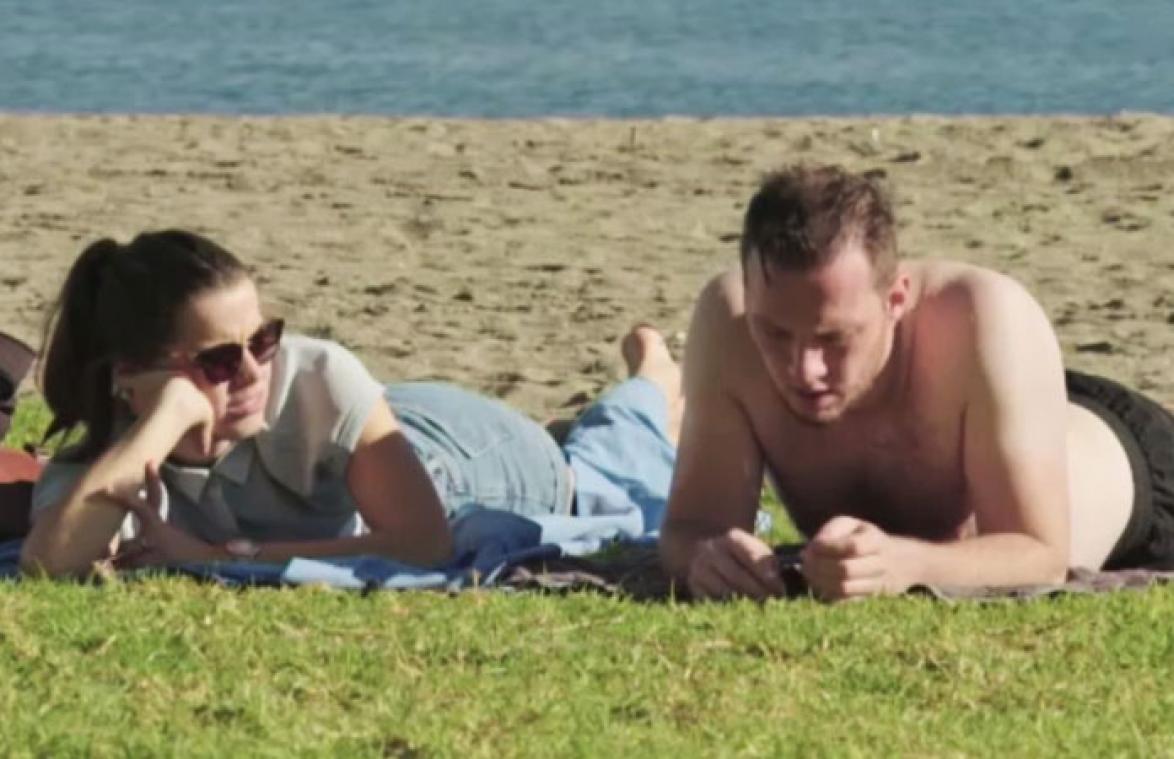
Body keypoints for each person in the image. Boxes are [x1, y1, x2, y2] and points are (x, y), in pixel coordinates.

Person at [21, 230, 683, 578]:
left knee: (612, 464)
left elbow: (425, 544)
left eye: (264, 340)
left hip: (466, 463)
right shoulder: (118, 455)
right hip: (382, 429)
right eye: (218, 360)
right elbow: (51, 564)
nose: (252, 371)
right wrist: (165, 418)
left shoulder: (316, 375)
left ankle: (652, 368)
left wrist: (217, 554)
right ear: (131, 376)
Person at [660, 164, 1174, 601]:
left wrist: (903, 565)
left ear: (896, 300)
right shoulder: (729, 322)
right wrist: (709, 559)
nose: (804, 369)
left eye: (834, 339)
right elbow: (692, 528)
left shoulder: (986, 317)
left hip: (1131, 462)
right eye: (774, 333)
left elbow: (1041, 556)